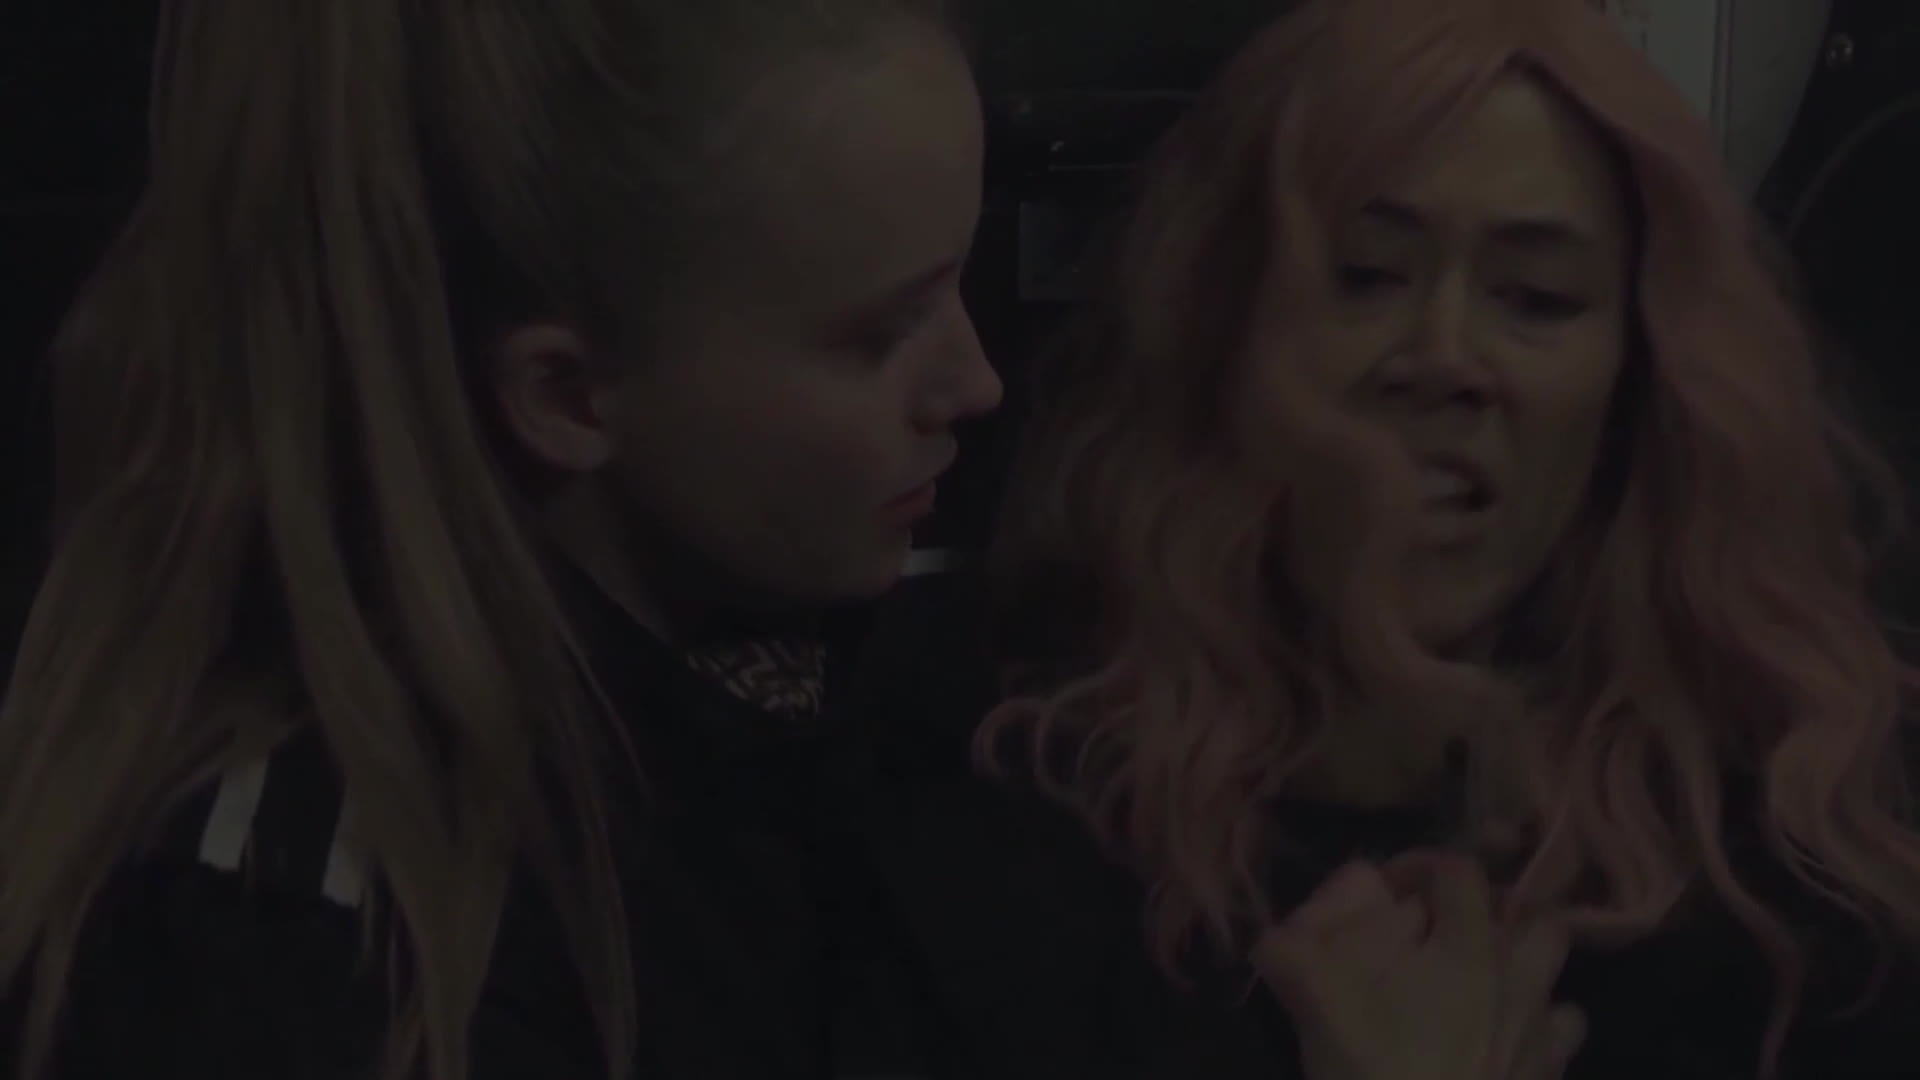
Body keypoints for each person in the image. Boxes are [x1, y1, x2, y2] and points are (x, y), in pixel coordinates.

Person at [857, 0, 1920, 1078]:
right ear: (1227, 330)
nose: (1444, 357)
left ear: (1637, 376)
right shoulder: (993, 783)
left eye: (1537, 298)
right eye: (1364, 276)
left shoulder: (1797, 846)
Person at [0, 1, 1000, 1078]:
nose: (978, 382)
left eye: (961, 281)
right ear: (567, 395)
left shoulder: (821, 676)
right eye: (880, 335)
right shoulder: (315, 956)